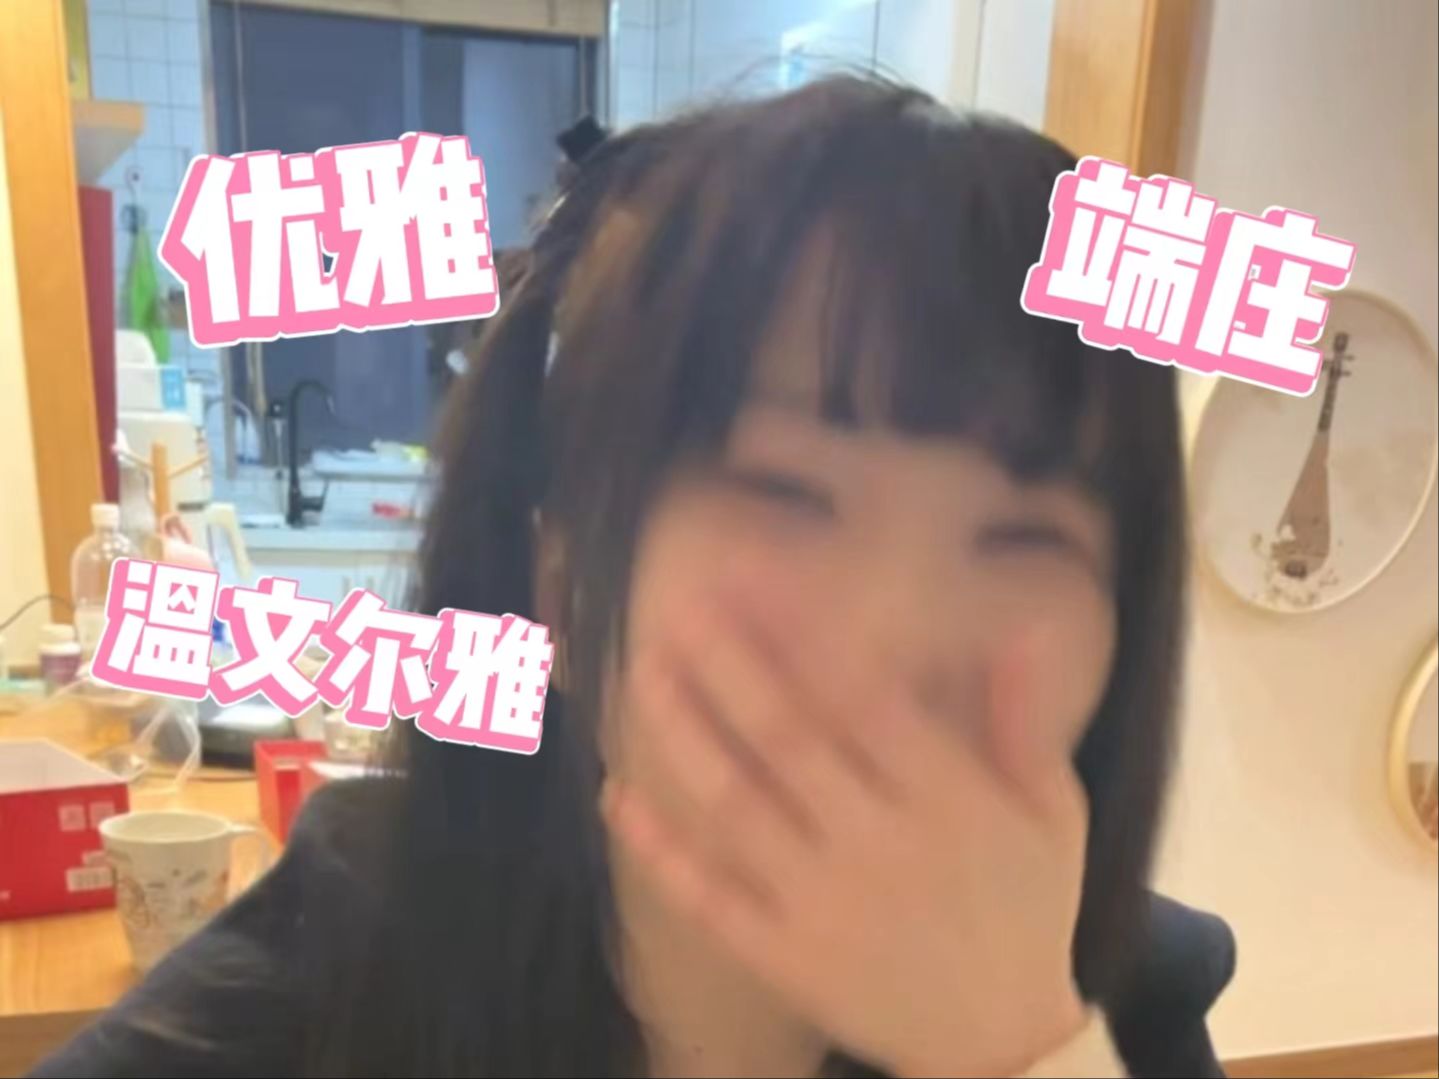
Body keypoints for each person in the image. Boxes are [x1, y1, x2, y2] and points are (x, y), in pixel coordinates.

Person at [32, 76, 1236, 1079]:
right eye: (785, 493)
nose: (898, 628)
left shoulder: (1106, 999)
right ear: (561, 588)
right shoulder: (343, 965)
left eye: (1024, 539)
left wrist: (1021, 1056)